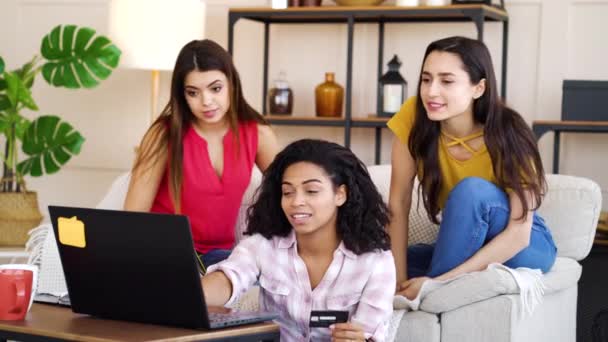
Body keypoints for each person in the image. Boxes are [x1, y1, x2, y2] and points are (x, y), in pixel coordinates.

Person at [386, 36, 557, 299]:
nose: (431, 92)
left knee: (472, 191)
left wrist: (438, 283)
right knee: (376, 265)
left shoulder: (509, 131)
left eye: (447, 81)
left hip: (526, 243)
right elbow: (398, 202)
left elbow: (519, 234)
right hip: (468, 242)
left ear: (479, 88)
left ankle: (435, 297)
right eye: (426, 79)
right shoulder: (414, 116)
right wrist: (396, 281)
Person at [201, 139, 396, 341]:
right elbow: (229, 276)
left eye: (311, 191)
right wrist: (191, 298)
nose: (296, 202)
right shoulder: (262, 245)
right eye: (287, 192)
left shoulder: (377, 262)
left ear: (340, 194)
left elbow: (370, 334)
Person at [124, 39, 279, 269]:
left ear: (232, 84)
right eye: (193, 92)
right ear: (182, 95)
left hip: (223, 258)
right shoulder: (163, 135)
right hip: (166, 252)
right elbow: (132, 218)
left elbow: (289, 189)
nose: (206, 102)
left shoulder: (257, 133)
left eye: (216, 88)